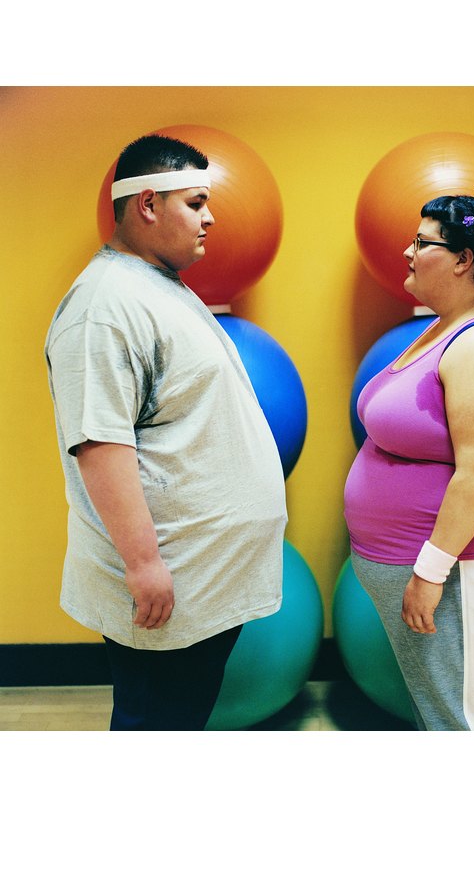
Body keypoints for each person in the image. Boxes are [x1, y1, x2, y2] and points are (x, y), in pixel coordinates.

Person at [45, 134, 287, 730]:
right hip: (168, 582)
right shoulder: (104, 307)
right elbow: (100, 442)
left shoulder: (154, 284)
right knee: (153, 723)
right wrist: (144, 563)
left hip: (201, 577)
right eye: (196, 203)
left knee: (177, 719)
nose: (210, 219)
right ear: (148, 204)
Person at [344, 182, 474, 731]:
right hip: (438, 565)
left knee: (469, 725)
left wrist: (430, 572)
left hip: (465, 568)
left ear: (463, 260)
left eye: (423, 242)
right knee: (445, 715)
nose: (408, 252)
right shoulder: (451, 325)